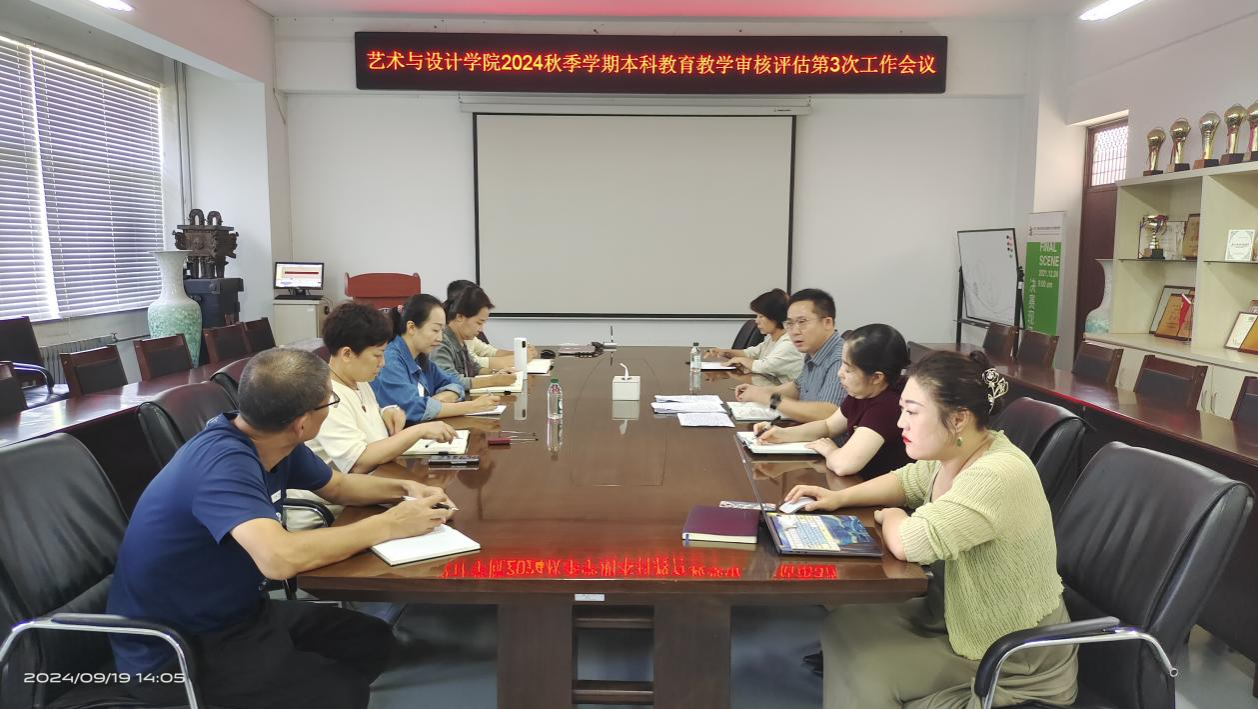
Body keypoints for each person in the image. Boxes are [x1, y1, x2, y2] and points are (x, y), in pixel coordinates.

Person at [107, 348, 458, 709]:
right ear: (303, 423)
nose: (332, 407)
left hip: (237, 614)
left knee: (370, 640)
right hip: (173, 649)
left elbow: (338, 486)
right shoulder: (222, 464)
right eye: (330, 401)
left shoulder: (273, 440)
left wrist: (406, 489)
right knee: (340, 692)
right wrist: (391, 524)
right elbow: (279, 559)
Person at [784, 351, 1077, 709]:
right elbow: (906, 481)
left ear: (957, 419)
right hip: (955, 612)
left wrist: (893, 516)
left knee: (867, 663)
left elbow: (911, 543)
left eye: (912, 412)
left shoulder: (997, 473)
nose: (900, 423)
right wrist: (838, 498)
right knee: (844, 624)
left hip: (1012, 648)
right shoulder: (958, 453)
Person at [289, 302, 459, 530]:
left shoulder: (358, 382)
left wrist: (385, 412)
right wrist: (418, 431)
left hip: (367, 493)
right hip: (333, 516)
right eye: (377, 355)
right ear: (347, 354)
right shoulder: (327, 397)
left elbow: (363, 421)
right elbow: (359, 462)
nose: (383, 363)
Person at [754, 324, 910, 480]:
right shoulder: (863, 392)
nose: (840, 373)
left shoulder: (888, 405)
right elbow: (828, 426)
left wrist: (830, 450)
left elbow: (844, 465)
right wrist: (782, 434)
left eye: (848, 369)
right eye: (842, 364)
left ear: (876, 377)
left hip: (872, 488)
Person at [371, 294, 501, 422]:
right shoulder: (390, 360)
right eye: (435, 330)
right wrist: (472, 406)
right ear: (411, 328)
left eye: (442, 331)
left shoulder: (420, 359)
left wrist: (442, 398)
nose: (440, 338)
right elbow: (412, 409)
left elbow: (455, 382)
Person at [734, 288, 845, 422]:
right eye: (790, 323)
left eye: (802, 322)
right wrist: (761, 392)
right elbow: (797, 388)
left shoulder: (841, 358)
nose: (794, 331)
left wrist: (768, 399)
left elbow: (827, 413)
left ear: (827, 322)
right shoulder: (813, 351)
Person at [706, 288, 803, 385]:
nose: (756, 321)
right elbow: (750, 353)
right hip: (770, 388)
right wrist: (723, 352)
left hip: (784, 393)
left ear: (774, 316)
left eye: (761, 316)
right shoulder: (772, 339)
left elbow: (764, 366)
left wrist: (740, 360)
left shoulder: (789, 344)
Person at [431, 285, 519, 391]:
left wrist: (496, 373)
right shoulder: (441, 341)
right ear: (460, 317)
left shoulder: (461, 339)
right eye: (479, 323)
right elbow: (450, 380)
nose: (481, 329)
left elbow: (475, 368)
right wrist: (493, 380)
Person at [446, 279, 537, 370]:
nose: (481, 329)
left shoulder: (465, 335)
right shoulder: (446, 338)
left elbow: (489, 352)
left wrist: (521, 353)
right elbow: (476, 363)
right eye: (479, 323)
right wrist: (521, 358)